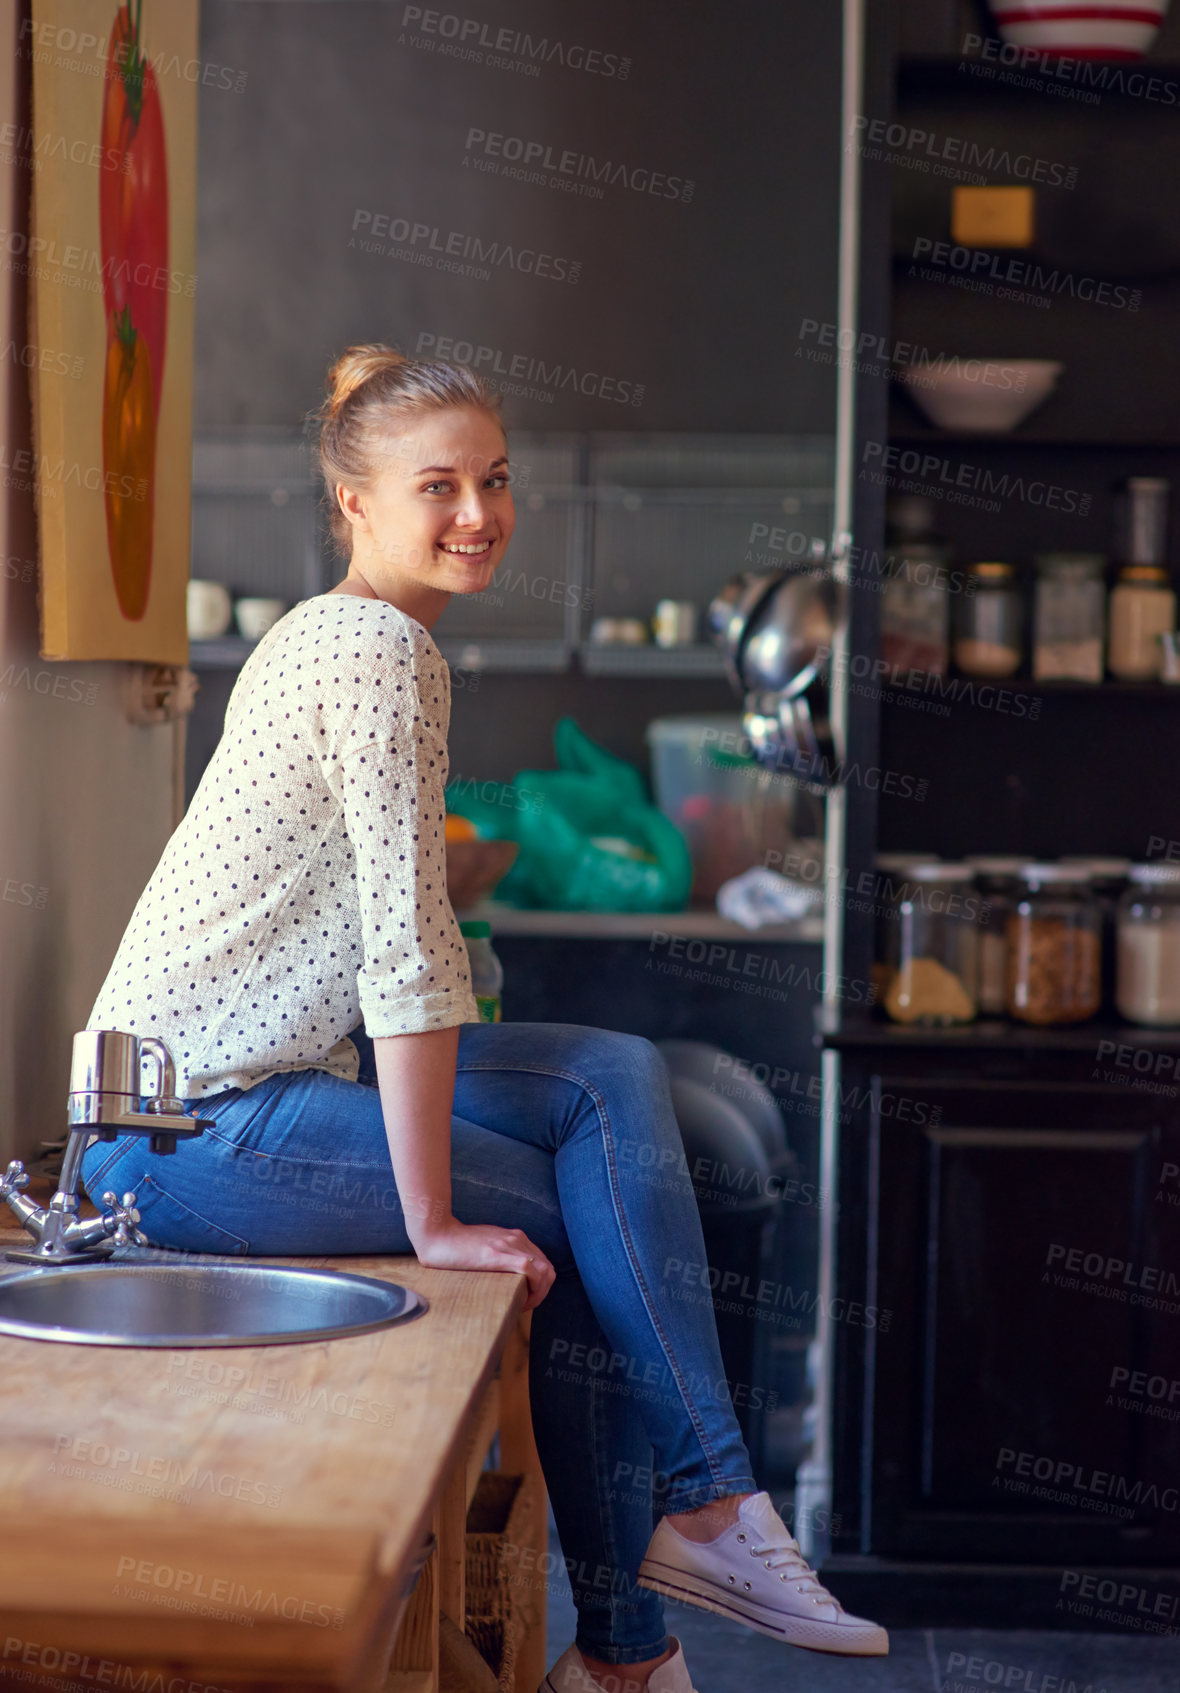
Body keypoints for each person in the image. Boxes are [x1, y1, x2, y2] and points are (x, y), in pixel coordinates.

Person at [81, 345, 887, 1693]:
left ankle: (709, 1516)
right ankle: (637, 1647)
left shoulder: (343, 634)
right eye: (438, 486)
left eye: (496, 480)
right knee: (574, 1224)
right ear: (356, 504)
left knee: (607, 1075)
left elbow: (409, 938)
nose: (479, 513)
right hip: (182, 1130)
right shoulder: (377, 647)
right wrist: (438, 1221)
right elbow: (407, 955)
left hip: (258, 1085)